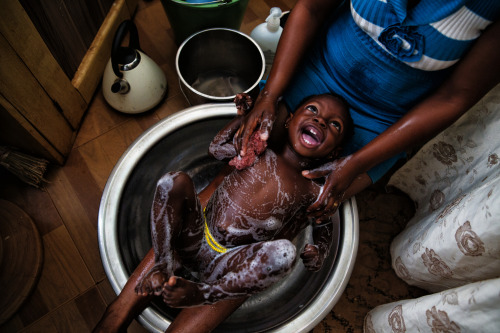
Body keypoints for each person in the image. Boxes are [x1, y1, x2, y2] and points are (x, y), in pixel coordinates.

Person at [94, 92, 353, 331]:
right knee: (173, 182)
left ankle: (202, 294)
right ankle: (162, 265)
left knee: (285, 252)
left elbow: (324, 224)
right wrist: (241, 120)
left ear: (336, 153)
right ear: (288, 120)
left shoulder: (313, 189)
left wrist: (318, 252)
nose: (320, 120)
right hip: (196, 233)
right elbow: (216, 149)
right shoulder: (256, 149)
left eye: (334, 125)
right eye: (312, 109)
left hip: (230, 265)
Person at [236, 0, 500, 223]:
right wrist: (269, 96)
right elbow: (310, 9)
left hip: (385, 120)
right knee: (246, 148)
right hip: (318, 74)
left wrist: (358, 163)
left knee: (308, 204)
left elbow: (454, 97)